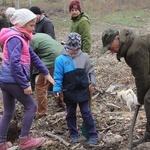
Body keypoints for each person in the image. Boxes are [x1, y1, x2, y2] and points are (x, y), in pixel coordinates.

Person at [0, 7, 55, 150]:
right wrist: (25, 84)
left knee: (8, 112)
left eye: (34, 24)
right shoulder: (16, 39)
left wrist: (46, 73)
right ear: (20, 24)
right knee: (31, 106)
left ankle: (1, 143)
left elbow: (34, 57)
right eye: (31, 25)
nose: (33, 28)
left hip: (6, 80)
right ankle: (25, 139)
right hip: (13, 80)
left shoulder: (22, 38)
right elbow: (14, 64)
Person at [101, 28, 150, 148]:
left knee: (148, 99)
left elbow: (142, 76)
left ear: (117, 38)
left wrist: (140, 98)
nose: (111, 51)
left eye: (110, 46)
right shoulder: (129, 46)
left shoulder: (134, 50)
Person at [53, 32, 98, 145]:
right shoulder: (60, 60)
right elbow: (58, 77)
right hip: (69, 91)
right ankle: (73, 134)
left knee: (86, 112)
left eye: (76, 49)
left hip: (83, 90)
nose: (74, 51)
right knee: (70, 113)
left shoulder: (84, 57)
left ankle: (92, 134)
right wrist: (57, 89)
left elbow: (90, 71)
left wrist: (92, 82)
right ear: (67, 46)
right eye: (71, 48)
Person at [30, 33, 63, 119]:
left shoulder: (30, 41)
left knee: (40, 85)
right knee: (58, 80)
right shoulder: (42, 35)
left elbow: (29, 59)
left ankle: (41, 112)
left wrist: (29, 78)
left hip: (52, 59)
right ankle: (62, 102)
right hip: (63, 55)